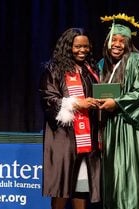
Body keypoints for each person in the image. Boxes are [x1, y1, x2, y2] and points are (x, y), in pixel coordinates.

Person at [97, 14, 139, 209]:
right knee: (114, 177)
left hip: (131, 129)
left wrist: (117, 103)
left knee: (130, 173)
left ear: (128, 43)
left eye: (122, 40)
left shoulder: (138, 62)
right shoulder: (102, 65)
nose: (117, 44)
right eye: (114, 40)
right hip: (110, 128)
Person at [39, 28, 101, 209]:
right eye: (77, 46)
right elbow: (48, 99)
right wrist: (75, 104)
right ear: (67, 47)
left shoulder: (90, 69)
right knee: (62, 187)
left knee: (81, 186)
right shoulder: (54, 70)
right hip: (64, 137)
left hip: (87, 137)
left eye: (86, 46)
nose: (82, 50)